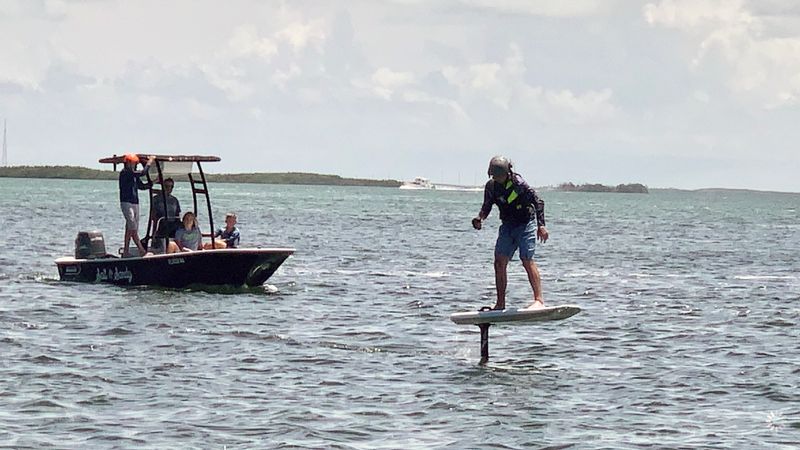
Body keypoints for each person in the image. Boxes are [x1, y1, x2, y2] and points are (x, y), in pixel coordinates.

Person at [472, 156, 549, 310]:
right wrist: (480, 218)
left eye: (499, 175)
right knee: (499, 262)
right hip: (508, 225)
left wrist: (541, 226)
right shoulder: (491, 186)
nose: (497, 179)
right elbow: (487, 206)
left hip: (525, 223)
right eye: (494, 176)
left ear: (507, 173)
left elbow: (538, 202)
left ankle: (539, 301)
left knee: (526, 259)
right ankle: (500, 304)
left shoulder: (519, 184)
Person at [119, 153, 155, 257]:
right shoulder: (125, 172)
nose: (135, 165)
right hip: (126, 202)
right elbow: (143, 173)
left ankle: (126, 251)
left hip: (135, 203)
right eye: (135, 163)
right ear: (129, 163)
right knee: (133, 227)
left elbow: (141, 186)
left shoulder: (133, 174)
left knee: (130, 228)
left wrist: (152, 183)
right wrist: (150, 162)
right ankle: (141, 250)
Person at [150, 177, 181, 253]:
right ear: (163, 186)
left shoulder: (175, 200)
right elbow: (153, 216)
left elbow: (178, 216)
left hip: (173, 226)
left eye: (171, 186)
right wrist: (154, 232)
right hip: (161, 226)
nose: (169, 188)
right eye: (166, 186)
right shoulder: (156, 199)